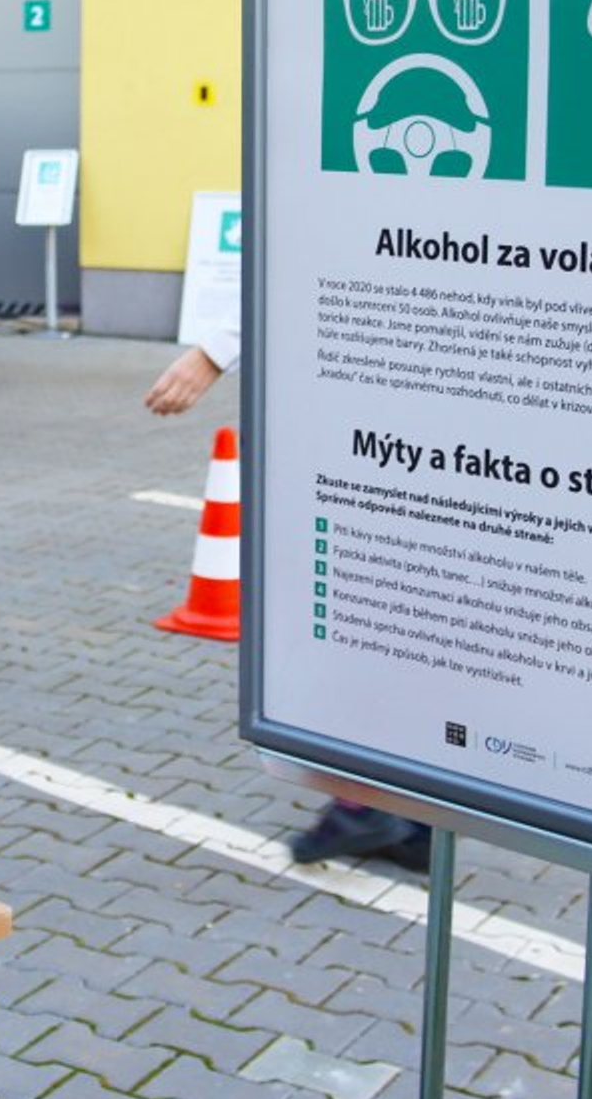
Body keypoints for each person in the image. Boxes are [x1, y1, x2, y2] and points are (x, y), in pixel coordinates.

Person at [143, 315, 430, 870]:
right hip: (392, 400)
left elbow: (297, 267)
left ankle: (365, 804)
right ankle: (412, 817)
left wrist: (213, 352)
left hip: (353, 398)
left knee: (350, 610)